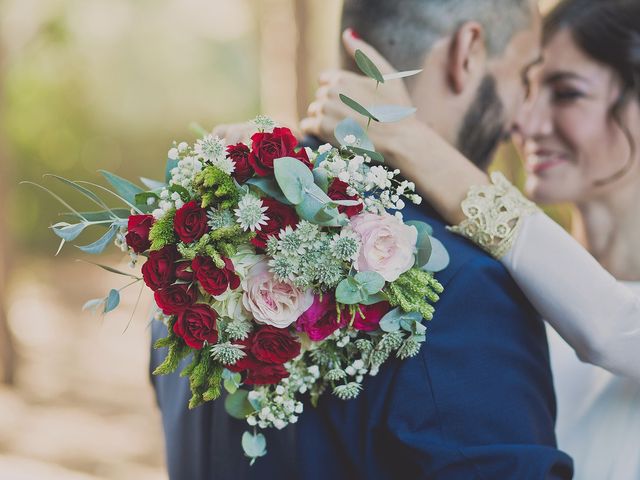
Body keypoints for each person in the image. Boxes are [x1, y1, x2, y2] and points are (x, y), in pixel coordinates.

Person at [151, 0, 574, 478]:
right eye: (525, 76)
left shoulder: (197, 251)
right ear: (468, 51)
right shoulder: (464, 287)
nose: (524, 120)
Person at [301, 0, 640, 478]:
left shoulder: (492, 288)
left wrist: (407, 136)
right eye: (528, 84)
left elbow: (613, 329)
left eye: (566, 93)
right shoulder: (498, 283)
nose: (523, 121)